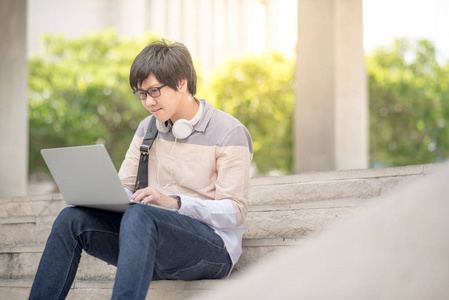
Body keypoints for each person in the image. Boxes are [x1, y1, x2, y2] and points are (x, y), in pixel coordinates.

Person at [28, 39, 253, 300]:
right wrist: (101, 196)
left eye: (154, 91)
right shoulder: (148, 128)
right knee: (71, 219)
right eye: (141, 94)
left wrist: (174, 202)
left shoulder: (229, 132)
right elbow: (123, 185)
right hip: (149, 242)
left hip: (211, 250)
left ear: (182, 83)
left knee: (141, 216)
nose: (147, 101)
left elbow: (235, 212)